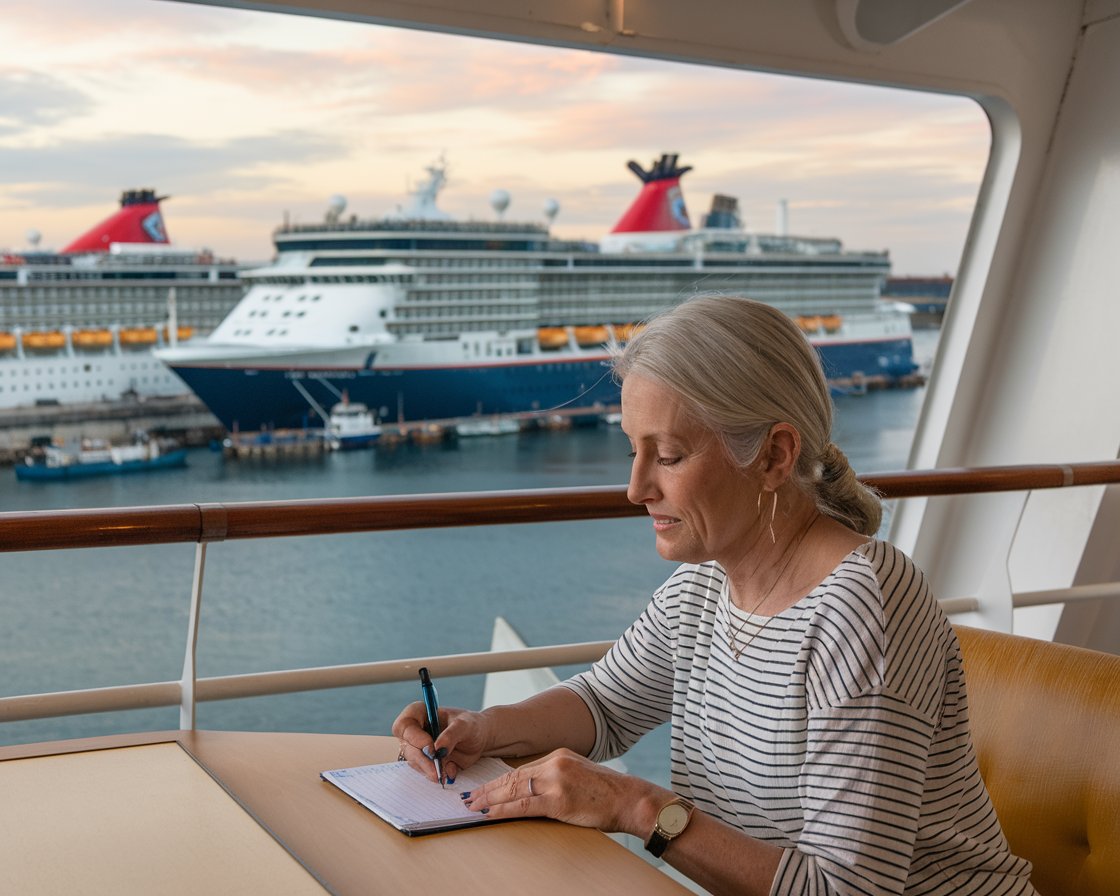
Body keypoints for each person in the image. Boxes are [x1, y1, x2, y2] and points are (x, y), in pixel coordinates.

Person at [393, 295, 1037, 896]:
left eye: (667, 456)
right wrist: (485, 728)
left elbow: (848, 889)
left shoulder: (864, 606)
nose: (635, 488)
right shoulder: (704, 583)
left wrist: (634, 806)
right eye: (632, 452)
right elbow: (604, 705)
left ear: (773, 457)